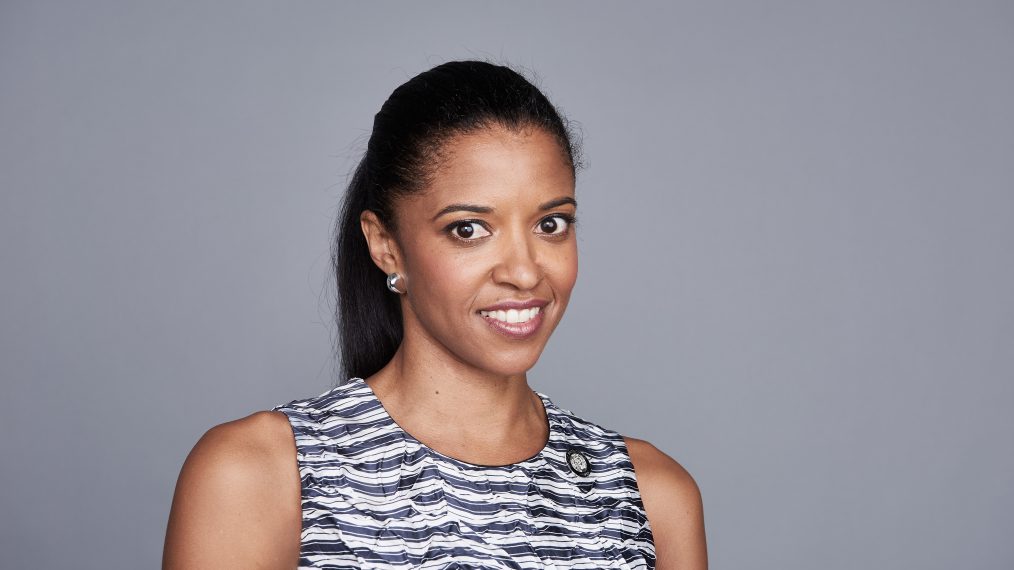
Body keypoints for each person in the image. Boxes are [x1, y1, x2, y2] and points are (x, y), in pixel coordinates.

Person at [163, 60, 707, 569]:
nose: (524, 272)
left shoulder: (651, 494)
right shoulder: (257, 475)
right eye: (469, 228)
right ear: (386, 246)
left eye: (551, 225)